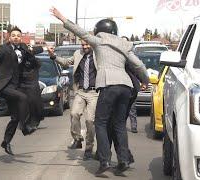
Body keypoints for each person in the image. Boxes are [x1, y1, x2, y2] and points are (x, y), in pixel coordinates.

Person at [50, 7, 149, 176]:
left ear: (99, 31)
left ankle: (104, 160)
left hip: (109, 86)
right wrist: (145, 80)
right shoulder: (125, 44)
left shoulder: (99, 41)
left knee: (100, 123)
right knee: (119, 124)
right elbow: (138, 65)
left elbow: (79, 32)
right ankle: (123, 159)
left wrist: (62, 18)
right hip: (126, 88)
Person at [0, 26, 32, 156]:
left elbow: (33, 52)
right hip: (3, 86)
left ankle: (6, 141)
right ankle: (25, 126)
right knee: (23, 98)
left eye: (18, 36)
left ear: (21, 38)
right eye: (13, 35)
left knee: (15, 116)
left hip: (15, 86)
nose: (16, 37)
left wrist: (49, 51)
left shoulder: (23, 48)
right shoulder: (3, 49)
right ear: (9, 38)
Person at [47, 39, 98, 160]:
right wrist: (53, 56)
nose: (84, 46)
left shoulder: (98, 54)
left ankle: (89, 148)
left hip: (94, 92)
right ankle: (77, 139)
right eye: (83, 44)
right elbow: (65, 62)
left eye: (87, 44)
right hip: (80, 91)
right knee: (74, 113)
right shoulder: (77, 53)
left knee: (90, 121)